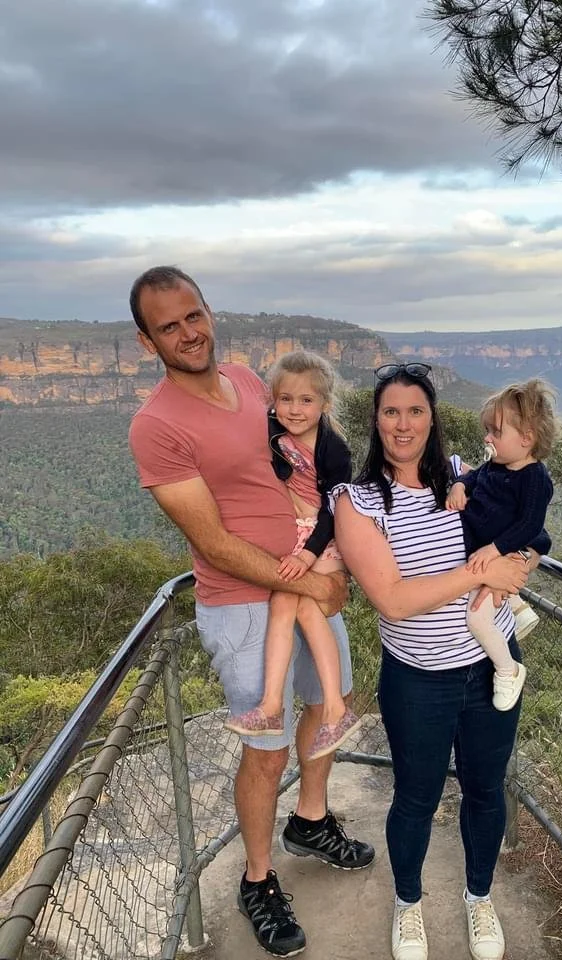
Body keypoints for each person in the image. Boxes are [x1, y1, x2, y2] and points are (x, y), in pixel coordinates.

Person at [127, 266, 374, 959]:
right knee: (266, 748)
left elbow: (306, 456)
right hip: (242, 605)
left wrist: (333, 556)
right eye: (169, 326)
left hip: (308, 576)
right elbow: (211, 542)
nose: (187, 333)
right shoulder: (156, 426)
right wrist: (315, 585)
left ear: (209, 312)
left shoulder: (245, 378)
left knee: (328, 705)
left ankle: (311, 820)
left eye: (193, 315)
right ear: (148, 342)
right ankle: (258, 879)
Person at [330, 362, 550, 960]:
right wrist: (482, 574)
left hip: (491, 667)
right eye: (391, 412)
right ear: (375, 420)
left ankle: (479, 897)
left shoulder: (461, 476)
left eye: (416, 411)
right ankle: (408, 906)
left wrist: (518, 563)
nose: (404, 424)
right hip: (418, 680)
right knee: (416, 796)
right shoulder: (357, 502)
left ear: (433, 418)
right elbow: (394, 600)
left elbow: (526, 528)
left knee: (485, 789)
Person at [227, 350, 362, 761]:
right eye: (285, 399)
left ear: (325, 404)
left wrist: (307, 555)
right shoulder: (270, 431)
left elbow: (334, 510)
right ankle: (278, 706)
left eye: (306, 400)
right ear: (273, 400)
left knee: (301, 607)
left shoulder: (333, 449)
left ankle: (328, 708)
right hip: (296, 537)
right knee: (285, 606)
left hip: (323, 541)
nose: (295, 409)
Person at [446, 379, 557, 711]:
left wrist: (494, 550)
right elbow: (473, 476)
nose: (487, 438)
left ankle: (508, 670)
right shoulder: (495, 466)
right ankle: (516, 607)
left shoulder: (534, 478)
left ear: (526, 438)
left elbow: (530, 525)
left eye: (496, 432)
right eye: (488, 430)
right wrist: (460, 485)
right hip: (486, 554)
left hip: (500, 553)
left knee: (476, 618)